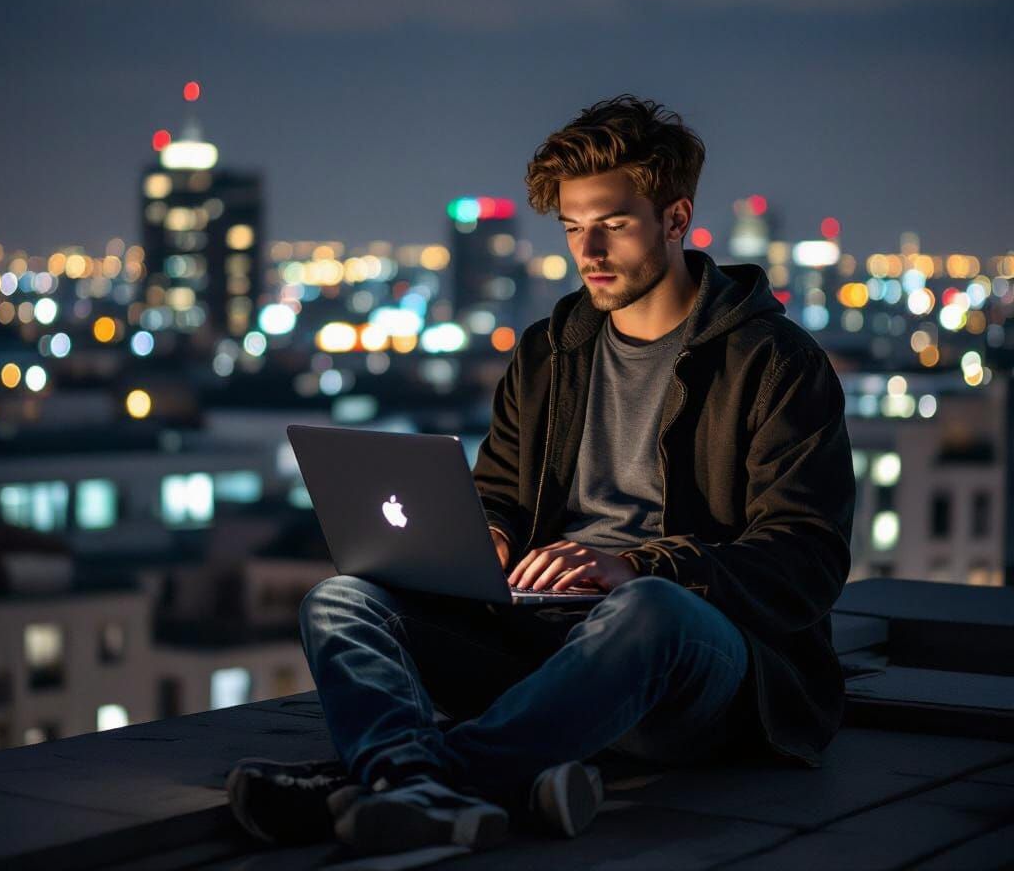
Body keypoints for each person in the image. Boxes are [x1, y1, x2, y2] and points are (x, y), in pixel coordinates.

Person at [227, 95, 855, 856]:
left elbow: (806, 559)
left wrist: (634, 567)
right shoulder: (548, 352)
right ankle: (464, 783)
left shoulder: (774, 362)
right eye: (571, 227)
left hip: (698, 665)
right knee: (341, 600)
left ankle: (392, 781)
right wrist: (483, 536)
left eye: (613, 224)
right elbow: (498, 491)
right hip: (541, 644)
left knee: (649, 610)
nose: (587, 250)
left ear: (676, 219)